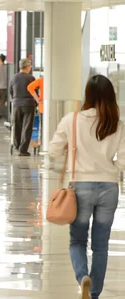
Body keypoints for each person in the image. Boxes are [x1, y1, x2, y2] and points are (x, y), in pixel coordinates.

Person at [48, 75, 125, 299]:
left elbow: (53, 150)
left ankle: (83, 277)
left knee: (78, 240)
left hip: (80, 187)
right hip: (109, 187)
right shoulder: (117, 125)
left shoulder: (72, 120)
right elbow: (123, 161)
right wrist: (108, 164)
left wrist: (69, 149)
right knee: (101, 245)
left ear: (87, 95)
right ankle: (95, 293)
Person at [10, 58, 36, 156]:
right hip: (29, 104)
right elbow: (34, 92)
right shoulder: (31, 78)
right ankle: (23, 150)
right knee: (27, 127)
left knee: (17, 125)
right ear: (27, 67)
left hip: (17, 104)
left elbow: (11, 92)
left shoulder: (13, 78)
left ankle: (17, 146)